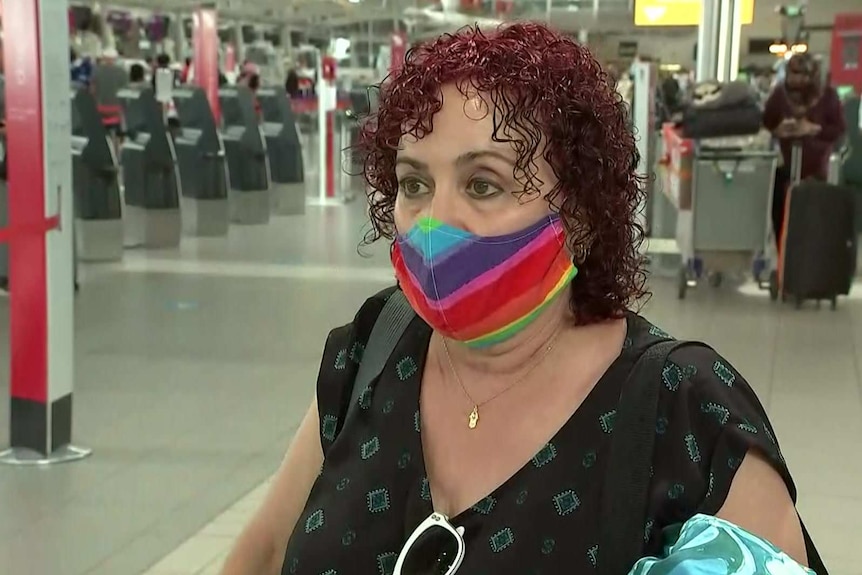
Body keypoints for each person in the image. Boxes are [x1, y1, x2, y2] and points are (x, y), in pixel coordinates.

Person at [221, 23, 819, 575]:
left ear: (580, 214)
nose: (435, 221)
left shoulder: (685, 415)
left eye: (483, 184)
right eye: (413, 183)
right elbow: (266, 551)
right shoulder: (373, 349)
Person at [763, 53, 846, 246]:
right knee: (782, 219)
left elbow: (839, 130)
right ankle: (784, 258)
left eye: (801, 75)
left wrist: (813, 129)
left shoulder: (828, 96)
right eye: (792, 74)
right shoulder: (780, 94)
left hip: (816, 171)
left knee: (812, 223)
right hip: (785, 168)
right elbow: (767, 122)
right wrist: (780, 130)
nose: (796, 80)